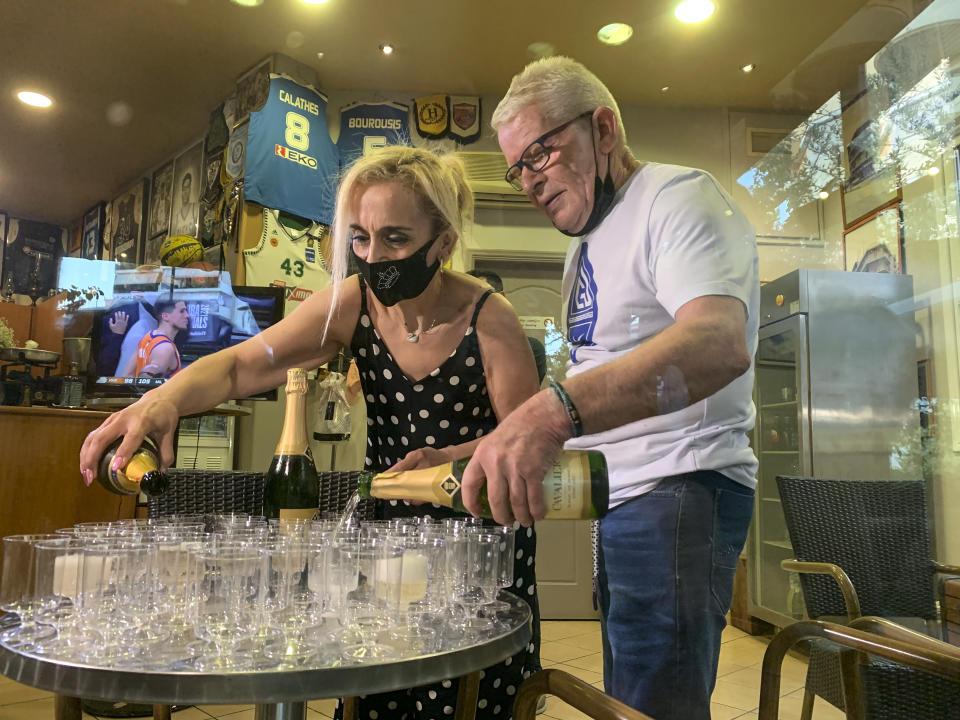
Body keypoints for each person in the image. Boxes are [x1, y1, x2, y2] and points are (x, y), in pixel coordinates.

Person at [79, 145, 542, 720]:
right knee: (386, 687)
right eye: (361, 238)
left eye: (395, 239)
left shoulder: (488, 318)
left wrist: (454, 453)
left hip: (479, 543)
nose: (374, 257)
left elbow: (530, 439)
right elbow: (242, 364)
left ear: (442, 243)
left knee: (475, 699)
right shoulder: (355, 304)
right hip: (390, 536)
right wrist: (161, 399)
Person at [459, 57, 760, 720]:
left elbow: (719, 341)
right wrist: (487, 445)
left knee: (656, 703)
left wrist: (555, 410)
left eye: (540, 153)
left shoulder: (677, 196)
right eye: (517, 168)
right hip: (627, 498)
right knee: (631, 700)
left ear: (602, 129)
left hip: (682, 487)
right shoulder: (587, 242)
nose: (529, 182)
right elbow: (596, 381)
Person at [467, 269, 547, 384]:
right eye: (466, 299)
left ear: (501, 298)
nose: (472, 306)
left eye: (480, 297)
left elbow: (524, 395)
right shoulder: (452, 348)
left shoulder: (530, 349)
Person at [122, 298, 189, 378]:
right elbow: (148, 383)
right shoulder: (165, 348)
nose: (187, 315)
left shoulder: (148, 337)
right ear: (165, 316)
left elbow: (128, 375)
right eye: (182, 311)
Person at [171, 171, 198, 236]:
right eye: (184, 188)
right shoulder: (176, 217)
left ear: (190, 189)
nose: (186, 191)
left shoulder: (195, 208)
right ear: (181, 190)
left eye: (188, 187)